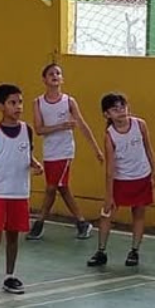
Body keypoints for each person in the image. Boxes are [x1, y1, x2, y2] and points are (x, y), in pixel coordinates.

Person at [0, 84, 42, 304]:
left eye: (20, 102)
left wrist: (35, 164)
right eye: (12, 103)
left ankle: (9, 276)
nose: (18, 107)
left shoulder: (27, 130)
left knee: (13, 237)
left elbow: (26, 154)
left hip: (19, 193)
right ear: (0, 106)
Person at [27, 63, 103, 242]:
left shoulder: (69, 101)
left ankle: (39, 223)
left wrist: (96, 148)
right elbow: (39, 129)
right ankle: (81, 222)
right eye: (51, 73)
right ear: (44, 79)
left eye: (58, 73)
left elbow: (82, 125)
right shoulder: (38, 103)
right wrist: (60, 126)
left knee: (52, 188)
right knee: (62, 187)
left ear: (62, 79)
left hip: (65, 150)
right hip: (50, 151)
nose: (55, 76)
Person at [87, 94, 155, 269]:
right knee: (107, 214)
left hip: (142, 176)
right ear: (107, 114)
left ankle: (134, 250)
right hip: (121, 179)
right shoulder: (110, 136)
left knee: (139, 214)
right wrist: (109, 195)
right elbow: (110, 168)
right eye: (115, 109)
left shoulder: (140, 125)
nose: (120, 112)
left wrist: (154, 170)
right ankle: (101, 251)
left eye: (122, 107)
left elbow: (148, 148)